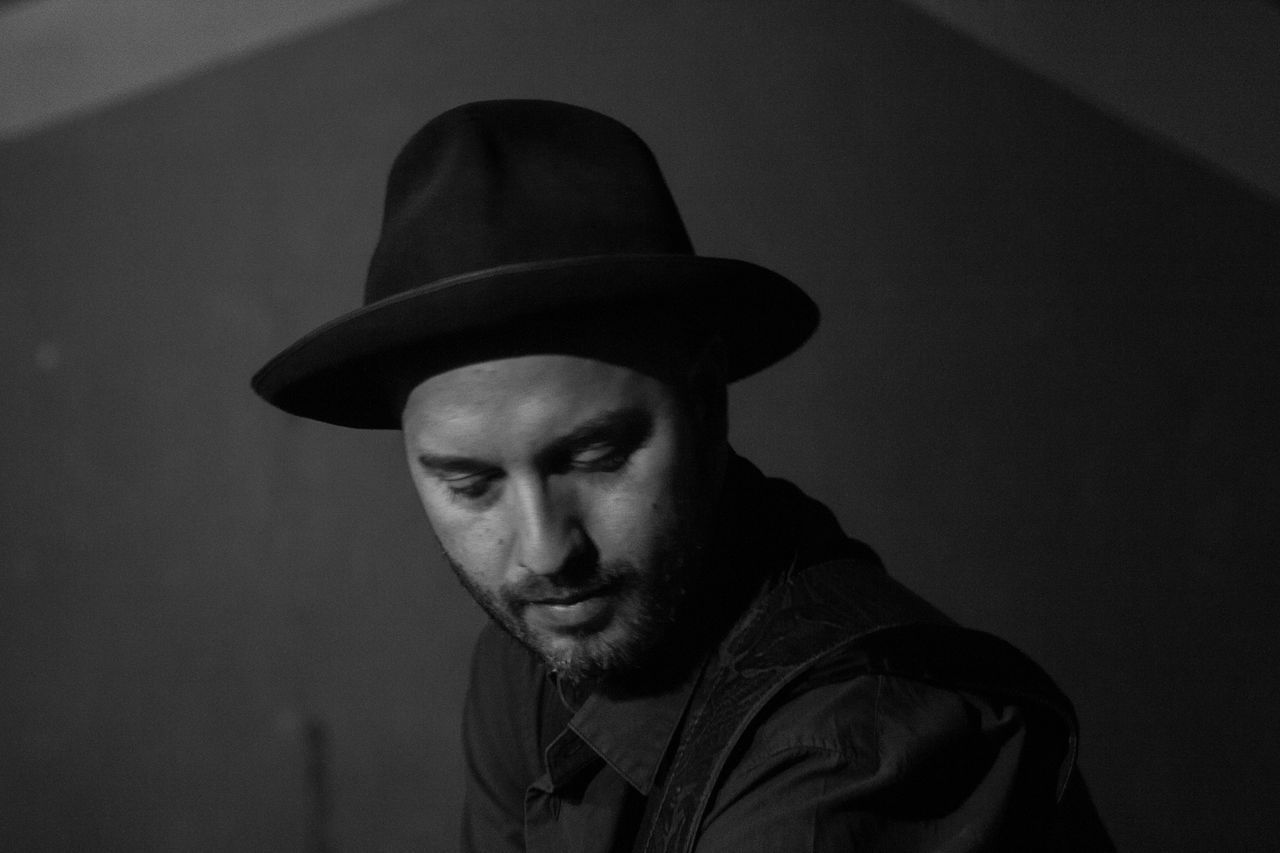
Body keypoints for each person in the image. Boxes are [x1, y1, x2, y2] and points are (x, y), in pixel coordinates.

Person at [252, 99, 1113, 852]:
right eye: (470, 485)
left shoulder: (850, 748)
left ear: (706, 401)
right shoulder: (523, 665)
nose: (546, 551)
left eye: (595, 457)